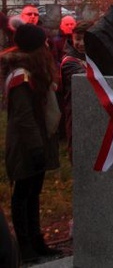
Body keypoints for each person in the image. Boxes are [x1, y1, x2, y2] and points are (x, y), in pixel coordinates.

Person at [1, 24, 61, 262]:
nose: (47, 45)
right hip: (26, 146)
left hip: (38, 143)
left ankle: (38, 242)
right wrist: (36, 149)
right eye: (43, 42)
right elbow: (24, 119)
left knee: (34, 193)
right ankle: (25, 248)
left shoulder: (35, 72)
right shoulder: (20, 77)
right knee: (23, 195)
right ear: (35, 48)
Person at [59, 21, 93, 162]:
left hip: (93, 112)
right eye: (77, 39)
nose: (81, 43)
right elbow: (89, 83)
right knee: (81, 152)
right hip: (77, 113)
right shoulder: (70, 62)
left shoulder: (92, 56)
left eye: (85, 39)